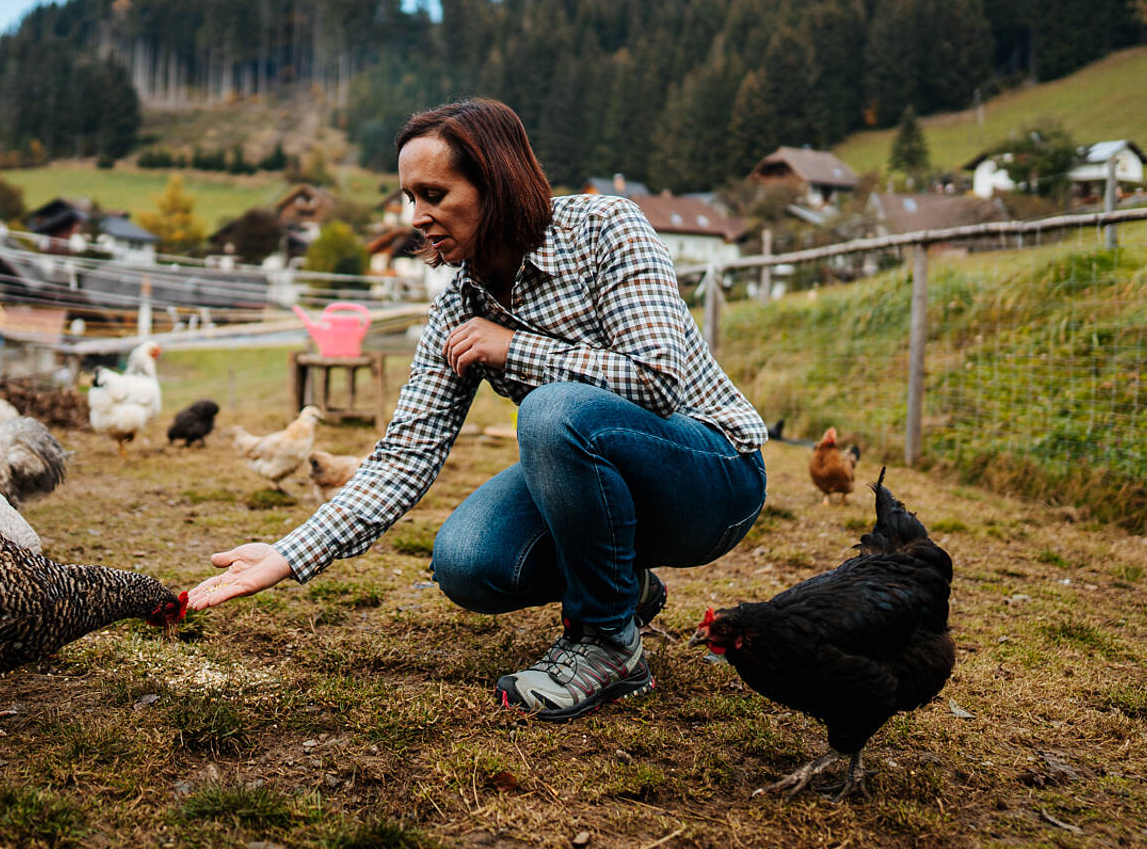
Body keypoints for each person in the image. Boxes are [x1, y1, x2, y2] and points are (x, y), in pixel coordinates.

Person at [187, 98, 768, 721]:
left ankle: (606, 642)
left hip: (713, 476)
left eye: (434, 194)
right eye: (410, 198)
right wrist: (287, 553)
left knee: (551, 411)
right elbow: (405, 457)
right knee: (468, 562)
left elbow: (656, 381)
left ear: (496, 180)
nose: (418, 217)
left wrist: (517, 349)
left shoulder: (606, 227)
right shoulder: (456, 310)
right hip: (607, 484)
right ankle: (624, 585)